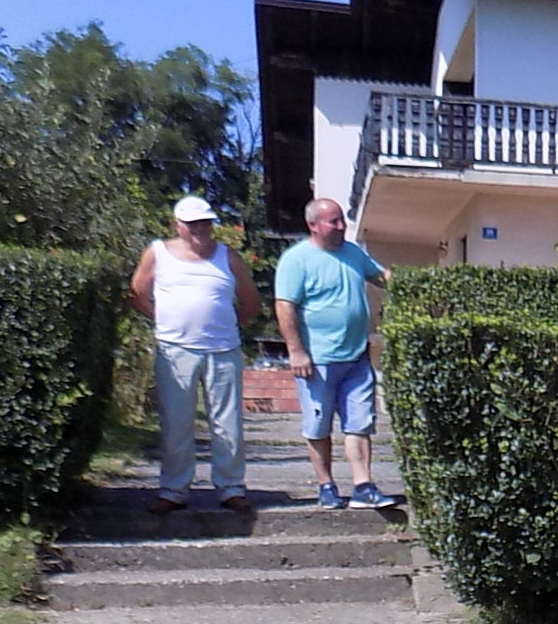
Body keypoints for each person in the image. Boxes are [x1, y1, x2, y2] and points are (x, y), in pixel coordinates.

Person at [130, 195, 261, 515]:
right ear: (178, 226)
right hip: (175, 351)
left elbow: (251, 303)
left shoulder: (228, 257)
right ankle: (174, 489)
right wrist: (166, 321)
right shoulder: (157, 253)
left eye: (205, 222)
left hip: (223, 351)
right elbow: (137, 294)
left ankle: (231, 488)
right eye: (193, 224)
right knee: (176, 423)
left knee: (227, 425)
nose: (200, 229)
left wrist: (223, 325)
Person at [275, 197, 393, 509]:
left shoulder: (353, 253)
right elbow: (285, 306)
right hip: (317, 361)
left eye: (342, 220)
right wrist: (296, 351)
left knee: (359, 423)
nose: (341, 227)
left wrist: (417, 284)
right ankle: (326, 485)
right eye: (333, 222)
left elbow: (382, 278)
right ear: (313, 225)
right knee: (318, 426)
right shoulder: (296, 260)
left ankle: (363, 486)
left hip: (356, 356)